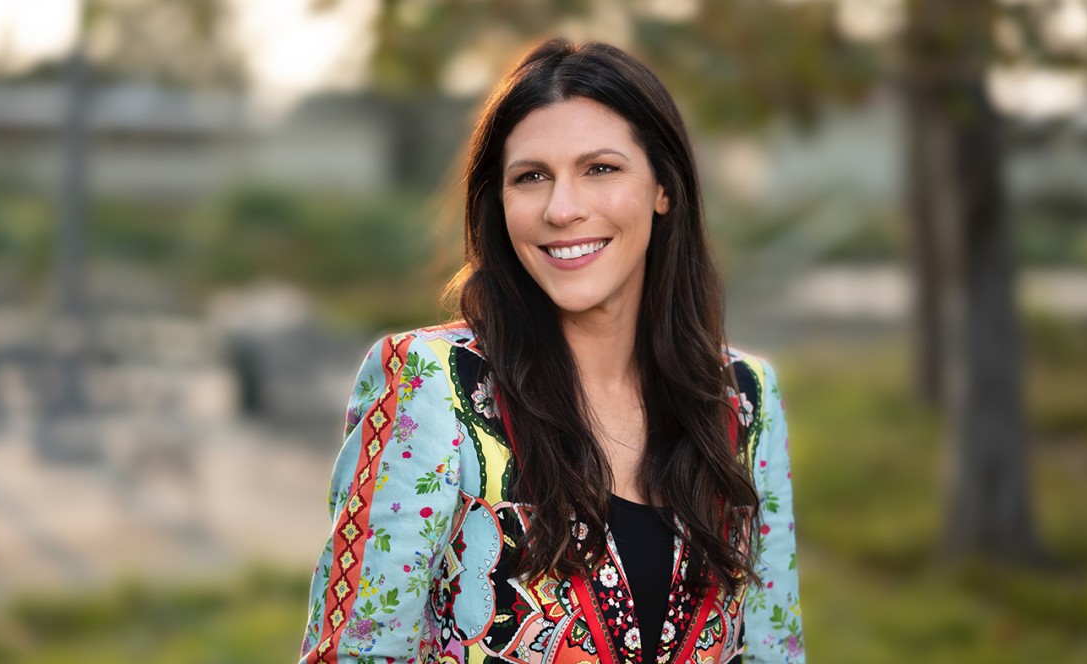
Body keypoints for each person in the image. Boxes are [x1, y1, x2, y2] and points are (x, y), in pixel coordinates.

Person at [298, 39, 804, 664]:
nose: (562, 209)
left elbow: (773, 648)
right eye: (531, 177)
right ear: (500, 203)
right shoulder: (433, 384)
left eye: (600, 169)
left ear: (663, 187)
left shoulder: (744, 398)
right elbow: (356, 653)